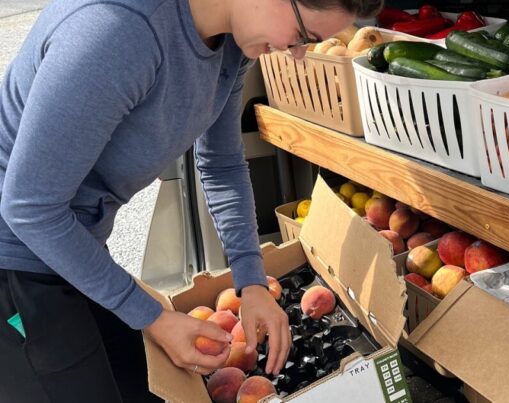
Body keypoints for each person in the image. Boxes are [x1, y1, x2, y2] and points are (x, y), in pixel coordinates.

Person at [0, 0, 381, 401]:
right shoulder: (120, 31)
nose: (298, 52)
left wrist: (251, 282)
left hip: (74, 246)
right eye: (304, 36)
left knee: (140, 388)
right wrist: (155, 318)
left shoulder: (234, 44)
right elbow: (29, 207)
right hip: (14, 257)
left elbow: (221, 164)